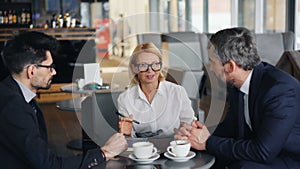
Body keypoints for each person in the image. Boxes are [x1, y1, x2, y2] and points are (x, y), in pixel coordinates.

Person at [174, 27, 300, 168]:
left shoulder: (280, 90)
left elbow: (264, 151)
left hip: (288, 158)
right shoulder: (238, 84)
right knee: (208, 157)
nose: (210, 68)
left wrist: (207, 142)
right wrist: (197, 133)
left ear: (230, 66)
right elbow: (230, 128)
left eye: (212, 62)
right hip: (264, 152)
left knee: (240, 166)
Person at [0, 31, 128, 169]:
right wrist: (105, 152)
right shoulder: (14, 108)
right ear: (31, 71)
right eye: (49, 67)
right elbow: (49, 165)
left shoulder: (12, 92)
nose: (53, 72)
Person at [117, 42, 195, 138]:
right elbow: (128, 137)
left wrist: (186, 131)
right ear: (134, 68)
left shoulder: (178, 92)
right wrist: (127, 133)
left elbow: (189, 125)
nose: (150, 70)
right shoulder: (124, 99)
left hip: (173, 148)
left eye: (155, 64)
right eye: (143, 65)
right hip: (142, 149)